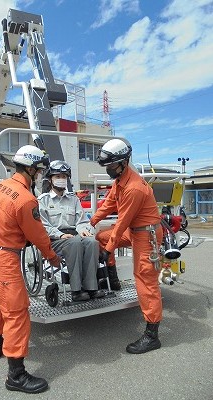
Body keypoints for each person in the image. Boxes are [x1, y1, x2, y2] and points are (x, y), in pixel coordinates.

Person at [0, 145, 62, 394]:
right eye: (38, 172)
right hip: (5, 259)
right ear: (29, 168)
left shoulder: (0, 188)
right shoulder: (27, 199)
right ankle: (16, 375)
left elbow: (3, 219)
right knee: (16, 313)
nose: (39, 176)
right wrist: (52, 257)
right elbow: (38, 235)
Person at [89, 138, 163, 354]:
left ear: (124, 162)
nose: (109, 170)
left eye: (111, 166)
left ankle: (152, 335)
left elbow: (123, 222)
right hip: (135, 232)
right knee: (101, 236)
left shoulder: (134, 188)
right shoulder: (119, 182)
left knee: (145, 280)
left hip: (146, 236)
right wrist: (90, 222)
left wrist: (109, 250)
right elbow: (108, 204)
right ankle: (114, 280)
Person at [38, 160, 104, 302]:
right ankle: (76, 290)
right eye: (58, 176)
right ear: (50, 179)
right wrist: (60, 234)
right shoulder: (43, 200)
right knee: (74, 243)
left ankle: (91, 287)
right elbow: (43, 226)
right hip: (55, 240)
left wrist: (83, 230)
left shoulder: (73, 199)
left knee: (92, 242)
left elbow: (81, 221)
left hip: (74, 237)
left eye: (64, 177)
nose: (61, 180)